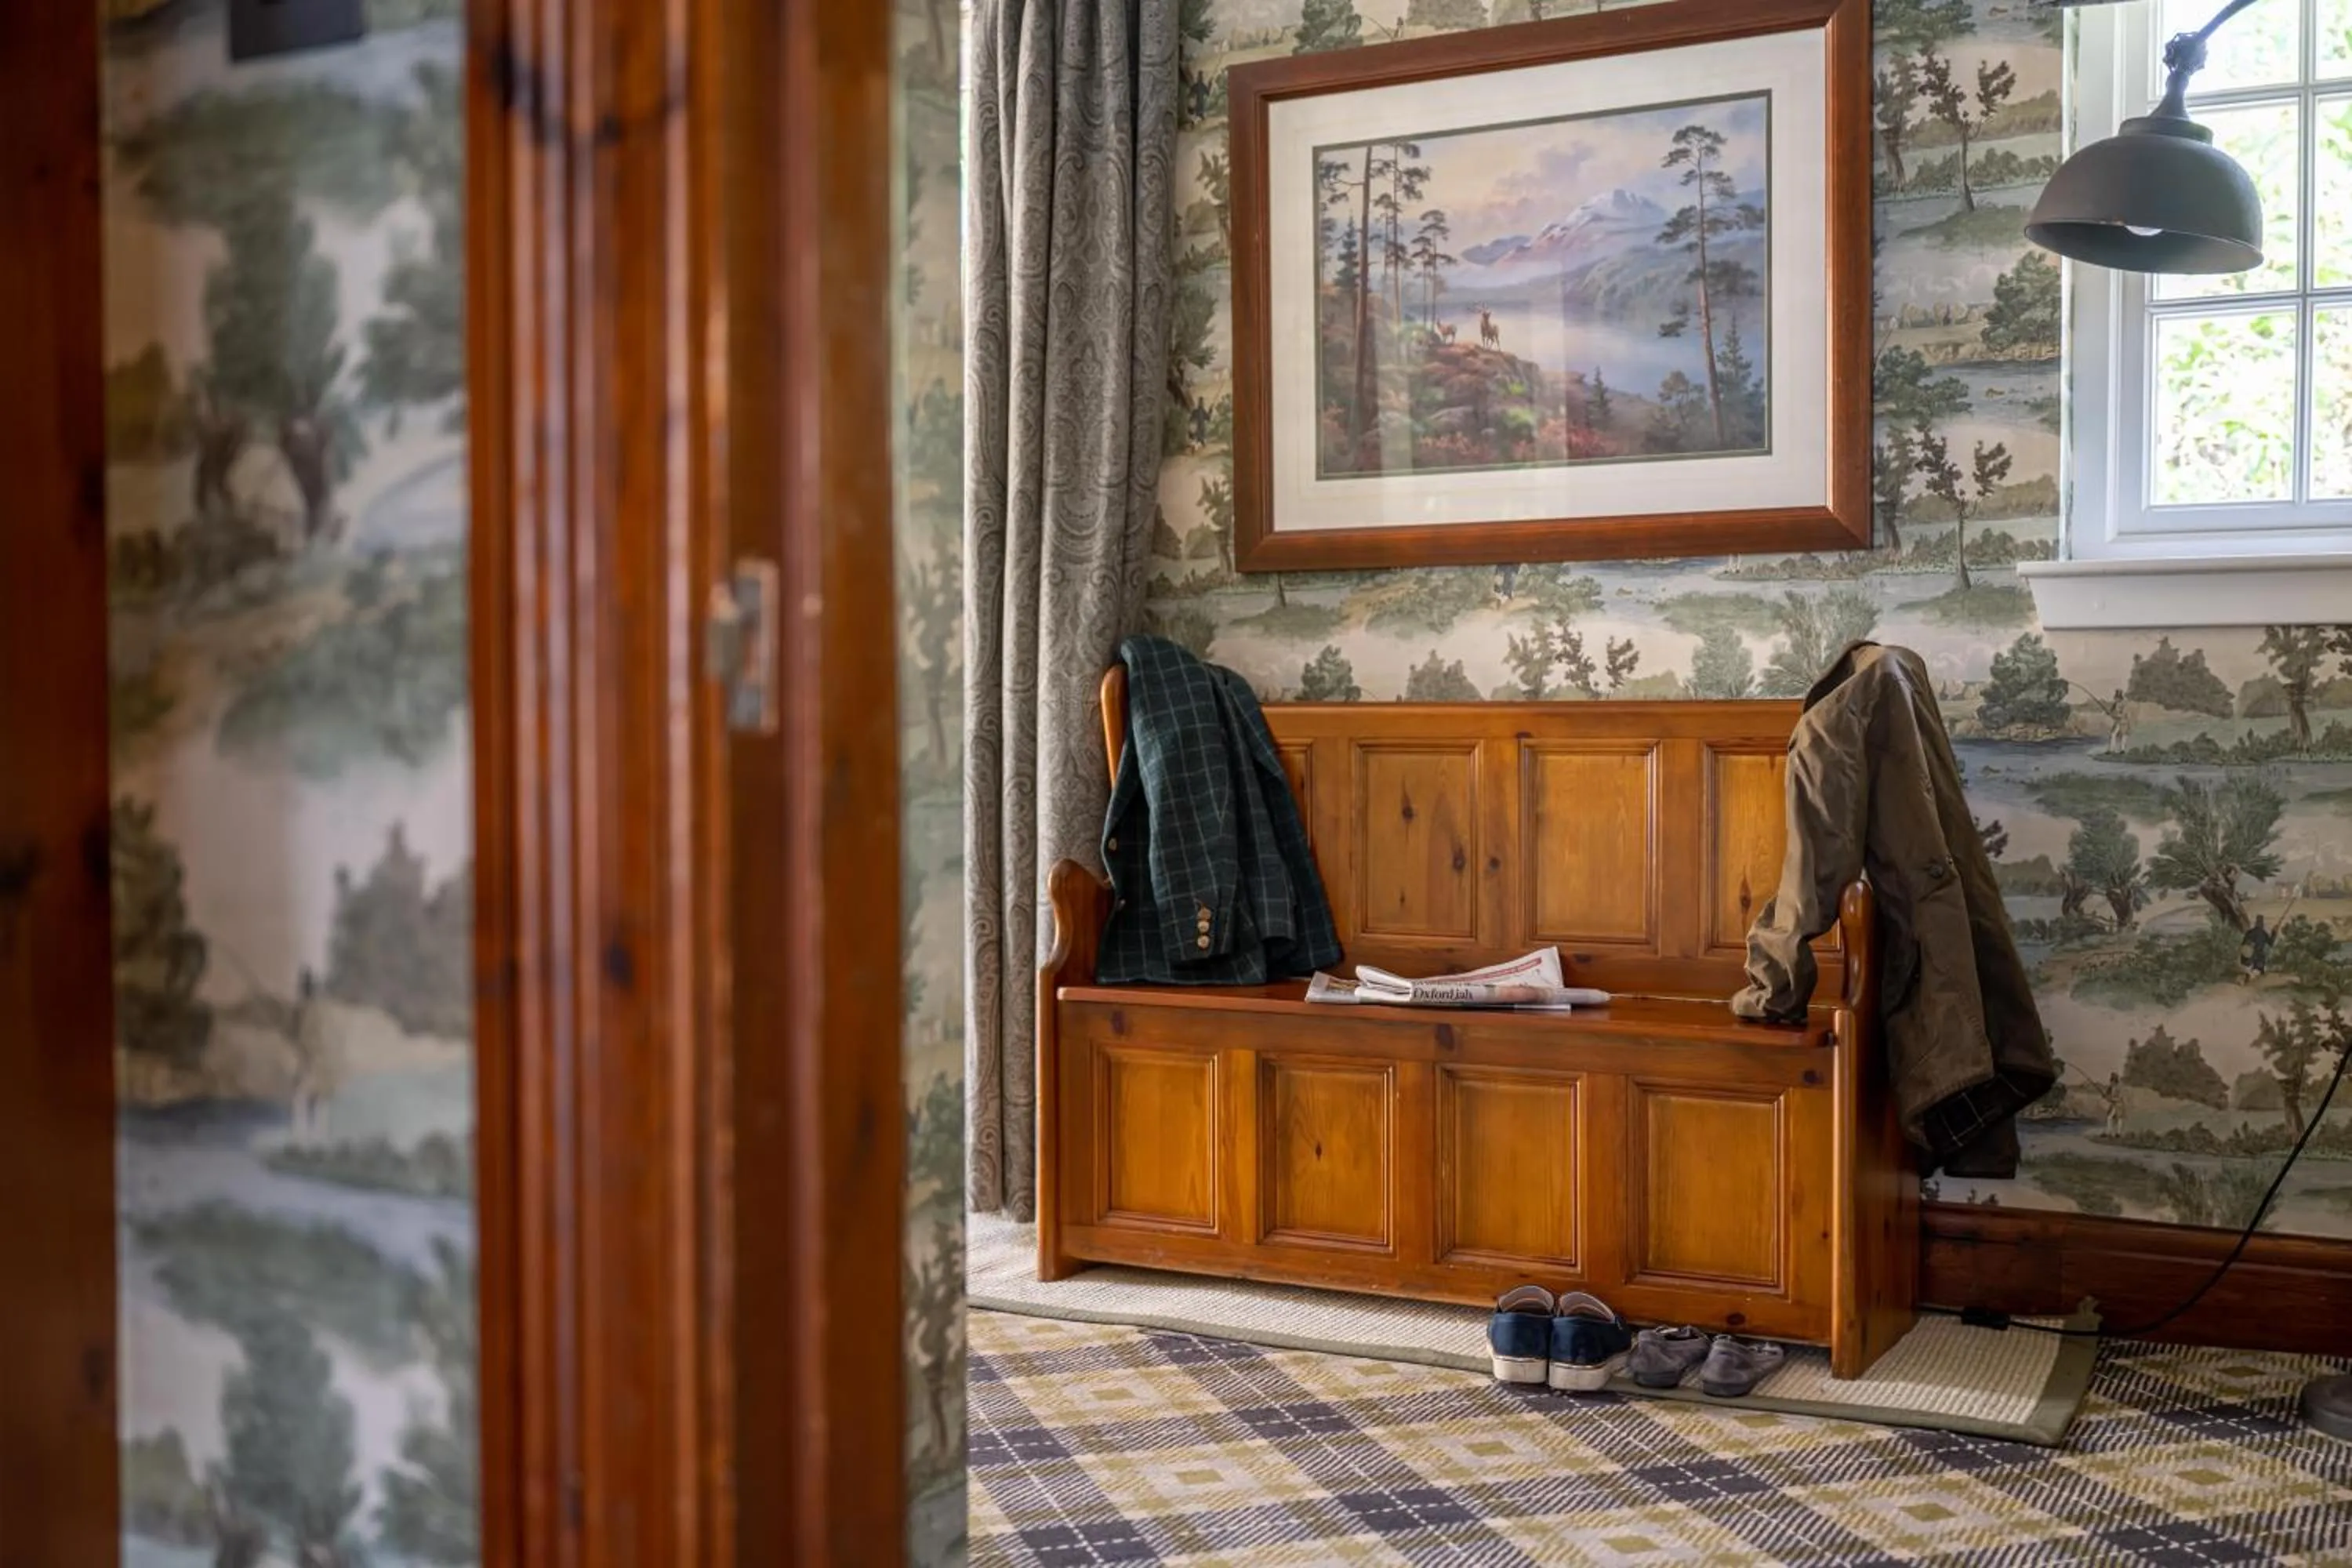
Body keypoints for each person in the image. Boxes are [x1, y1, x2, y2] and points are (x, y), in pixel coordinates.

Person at [2240, 914, 2273, 982]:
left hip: (2248, 958)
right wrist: (2274, 933)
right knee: (2258, 970)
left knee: (2249, 968)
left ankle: (2248, 977)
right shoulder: (2264, 933)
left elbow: (2243, 944)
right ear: (2262, 924)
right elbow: (2271, 943)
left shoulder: (2250, 932)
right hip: (2258, 957)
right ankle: (2251, 977)